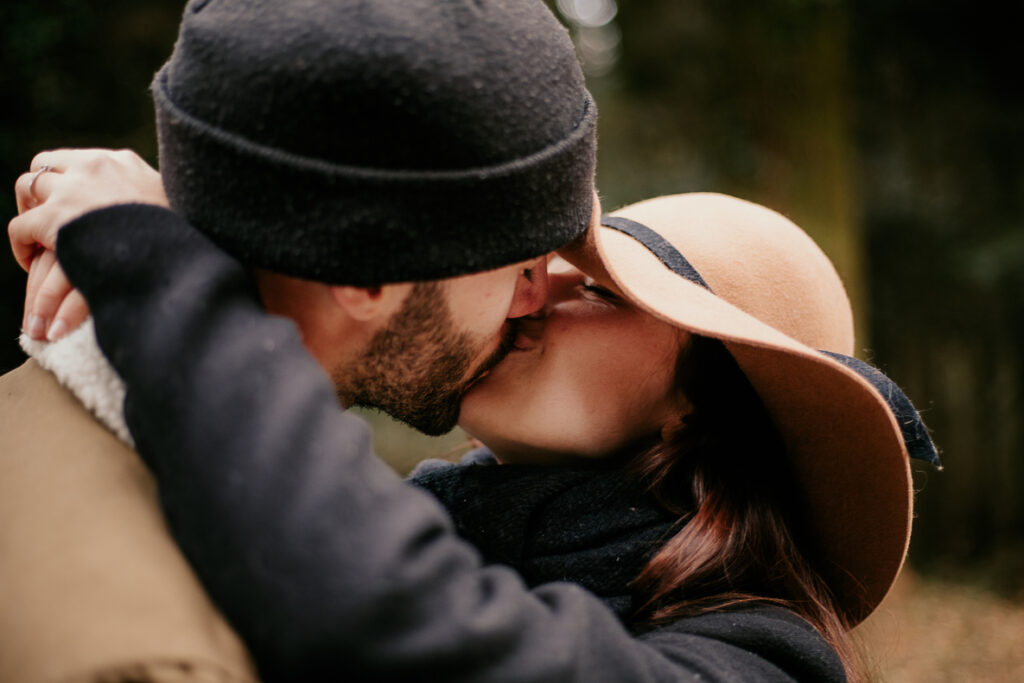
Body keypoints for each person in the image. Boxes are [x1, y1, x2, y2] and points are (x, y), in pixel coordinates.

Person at [13, 184, 940, 681]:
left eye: (604, 292)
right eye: (545, 269)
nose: (531, 297)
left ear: (704, 403)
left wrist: (177, 293)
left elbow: (419, 627)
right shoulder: (421, 517)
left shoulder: (761, 660)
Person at [2, 0, 597, 681]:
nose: (540, 293)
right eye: (522, 261)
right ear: (373, 273)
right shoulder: (157, 655)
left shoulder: (34, 429)